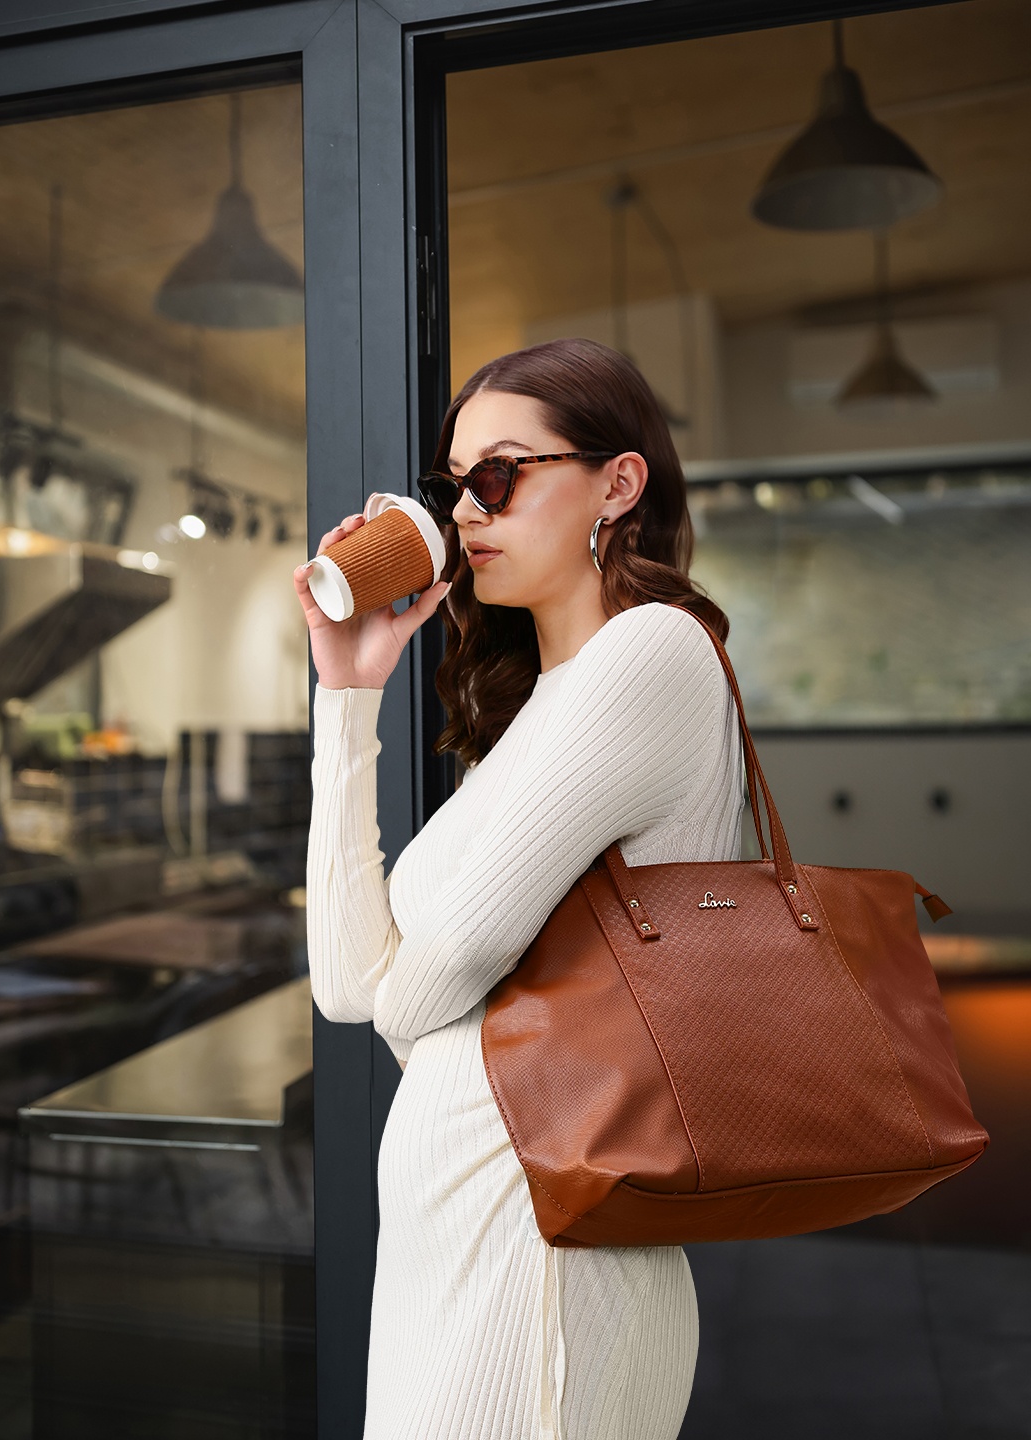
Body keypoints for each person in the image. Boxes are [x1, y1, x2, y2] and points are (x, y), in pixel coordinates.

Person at [295, 337, 744, 1440]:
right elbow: (353, 983)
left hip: (542, 1257)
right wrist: (348, 697)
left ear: (617, 483)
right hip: (462, 1244)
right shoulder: (536, 716)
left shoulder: (652, 654)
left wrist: (428, 991)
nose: (467, 514)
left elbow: (424, 979)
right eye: (455, 489)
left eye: (499, 476)